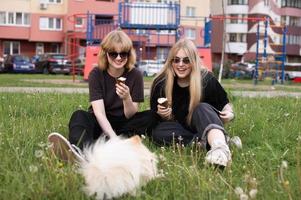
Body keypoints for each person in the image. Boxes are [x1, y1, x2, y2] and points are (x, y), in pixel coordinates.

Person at [48, 29, 150, 162]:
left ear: (129, 54)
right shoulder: (96, 74)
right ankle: (81, 150)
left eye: (123, 54)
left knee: (150, 116)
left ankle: (102, 145)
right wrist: (114, 138)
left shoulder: (135, 74)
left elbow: (131, 114)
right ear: (106, 54)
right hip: (100, 122)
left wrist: (126, 98)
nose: (118, 58)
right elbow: (99, 113)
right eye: (113, 54)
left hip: (124, 123)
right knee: (79, 115)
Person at [149, 38, 234, 167]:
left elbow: (225, 105)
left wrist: (229, 114)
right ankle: (213, 141)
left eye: (186, 60)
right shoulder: (161, 83)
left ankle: (220, 151)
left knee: (201, 108)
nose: (180, 64)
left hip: (203, 123)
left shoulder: (206, 79)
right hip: (179, 130)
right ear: (171, 62)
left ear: (194, 61)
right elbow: (154, 116)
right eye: (176, 60)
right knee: (158, 132)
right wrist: (163, 115)